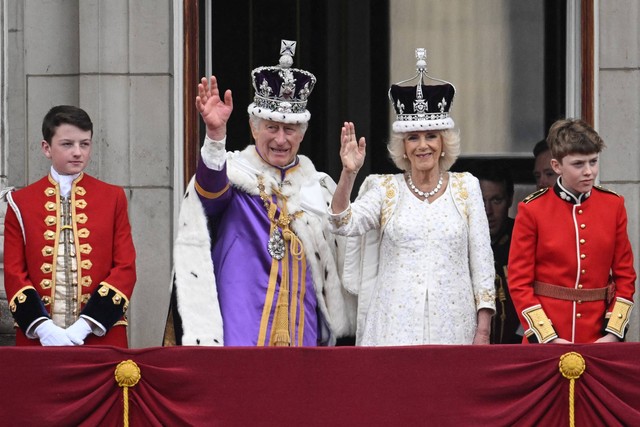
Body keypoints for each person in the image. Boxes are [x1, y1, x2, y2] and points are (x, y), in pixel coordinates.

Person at [165, 40, 354, 346]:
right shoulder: (235, 176)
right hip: (240, 324)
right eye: (271, 127)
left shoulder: (316, 187)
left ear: (302, 134)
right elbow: (209, 195)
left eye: (289, 129)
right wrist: (215, 138)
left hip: (302, 327)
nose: (280, 139)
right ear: (254, 129)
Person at [328, 49, 495, 346]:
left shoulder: (466, 187)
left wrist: (483, 331)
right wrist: (348, 174)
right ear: (402, 146)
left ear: (443, 142)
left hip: (454, 325)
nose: (423, 146)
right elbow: (342, 223)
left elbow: (482, 265)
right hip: (394, 325)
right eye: (413, 137)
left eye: (431, 136)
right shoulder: (384, 188)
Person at [2, 105, 136, 347]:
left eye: (85, 144)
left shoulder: (113, 197)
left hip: (100, 337)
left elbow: (125, 268)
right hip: (38, 341)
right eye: (67, 144)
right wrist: (43, 328)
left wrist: (87, 324)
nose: (77, 152)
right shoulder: (20, 203)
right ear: (46, 148)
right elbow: (14, 273)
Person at [508, 118, 636, 344]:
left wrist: (613, 334)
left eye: (593, 162)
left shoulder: (613, 205)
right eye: (579, 164)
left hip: (599, 338)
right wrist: (547, 337)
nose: (589, 171)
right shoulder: (531, 210)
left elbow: (625, 277)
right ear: (557, 166)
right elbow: (519, 283)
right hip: (547, 337)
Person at [466, 160, 521, 344]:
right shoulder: (459, 243)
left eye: (496, 200)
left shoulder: (523, 240)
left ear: (510, 199)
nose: (487, 211)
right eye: (481, 201)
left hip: (519, 347)